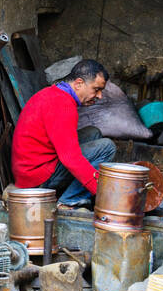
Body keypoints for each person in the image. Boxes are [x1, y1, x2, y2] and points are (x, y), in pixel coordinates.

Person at [11, 58, 113, 208]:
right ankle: (69, 200)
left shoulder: (54, 93)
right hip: (36, 179)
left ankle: (74, 192)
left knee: (93, 133)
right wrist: (102, 192)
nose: (99, 96)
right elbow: (70, 158)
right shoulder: (63, 106)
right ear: (79, 84)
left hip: (29, 170)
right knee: (107, 147)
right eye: (96, 89)